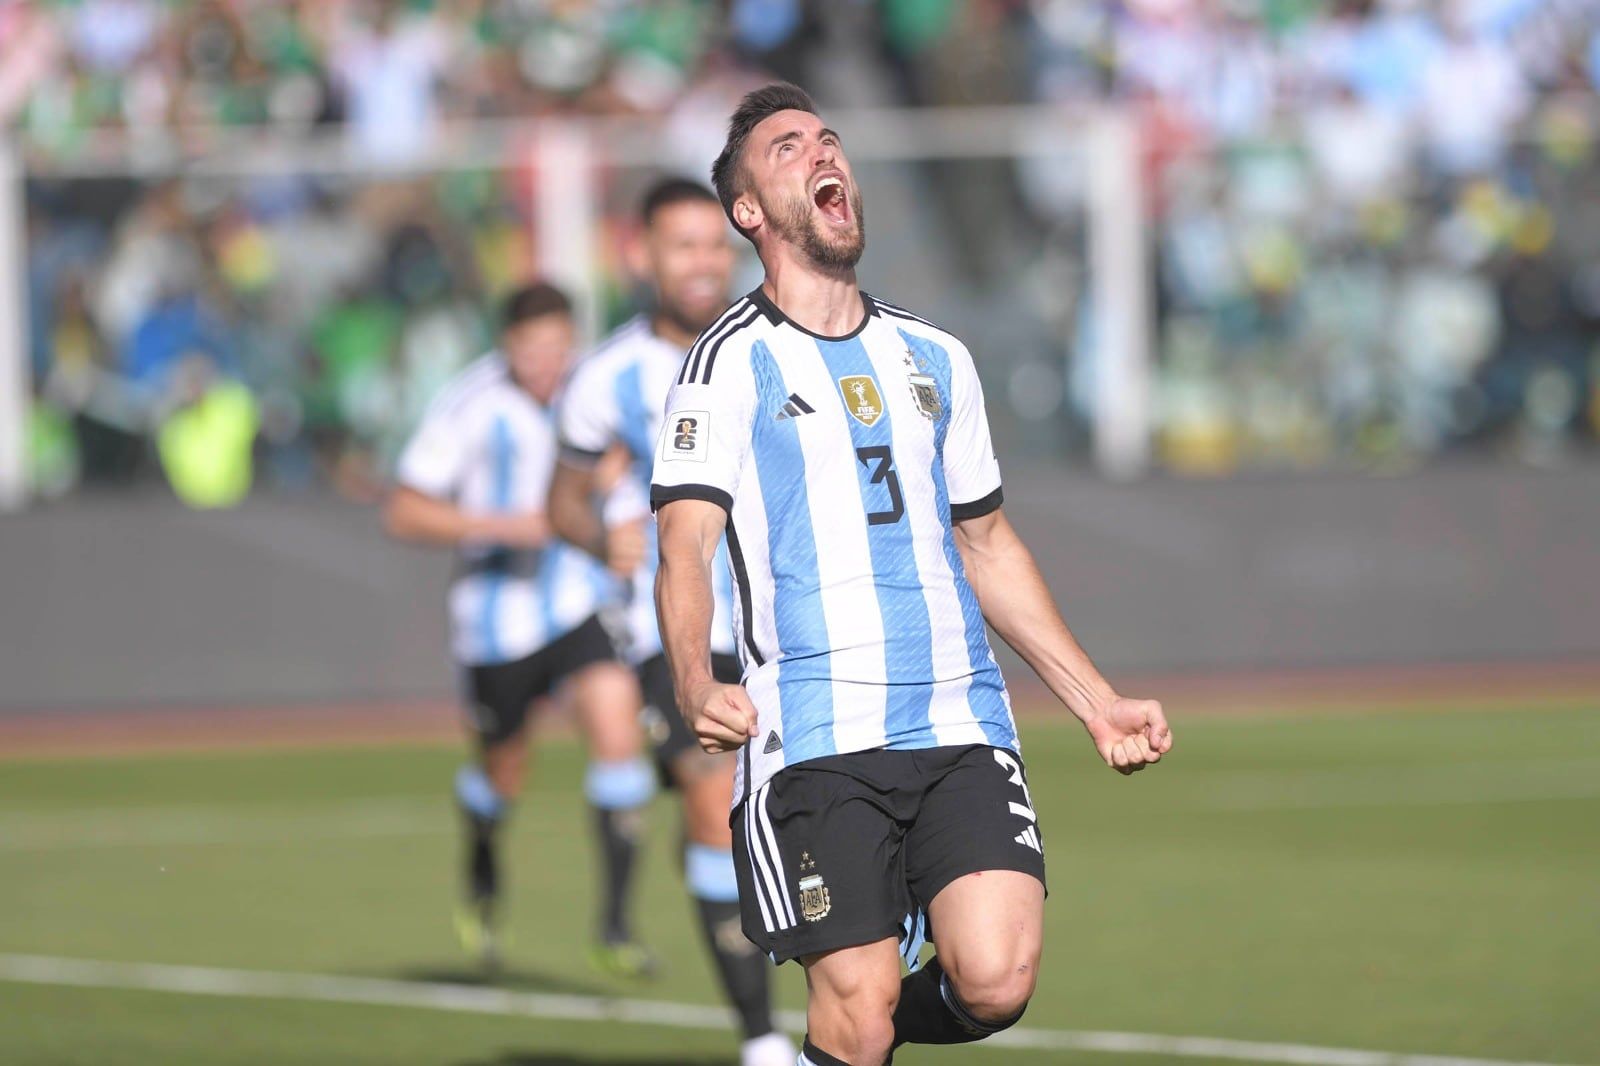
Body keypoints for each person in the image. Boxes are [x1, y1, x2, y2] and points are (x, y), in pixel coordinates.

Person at [650, 84, 1174, 1066]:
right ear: (748, 211)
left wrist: (1095, 700)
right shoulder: (723, 365)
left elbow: (989, 545)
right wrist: (690, 677)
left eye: (828, 139)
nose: (823, 152)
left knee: (996, 978)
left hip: (956, 718)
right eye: (787, 147)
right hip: (812, 736)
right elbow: (683, 547)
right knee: (858, 1011)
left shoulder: (936, 357)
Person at [548, 179, 794, 1066]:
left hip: (787, 626)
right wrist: (597, 535)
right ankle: (762, 1038)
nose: (701, 262)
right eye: (681, 244)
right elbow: (562, 502)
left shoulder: (776, 347)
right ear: (642, 255)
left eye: (711, 243)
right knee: (710, 795)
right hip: (674, 633)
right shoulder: (606, 377)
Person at [385, 282, 657, 976]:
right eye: (533, 349)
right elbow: (405, 510)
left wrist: (616, 511)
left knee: (618, 734)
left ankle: (616, 925)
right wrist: (508, 525)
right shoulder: (469, 404)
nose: (547, 363)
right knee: (503, 770)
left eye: (559, 347)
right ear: (507, 345)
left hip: (577, 601)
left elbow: (621, 469)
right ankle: (481, 862)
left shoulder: (591, 392)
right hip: (496, 621)